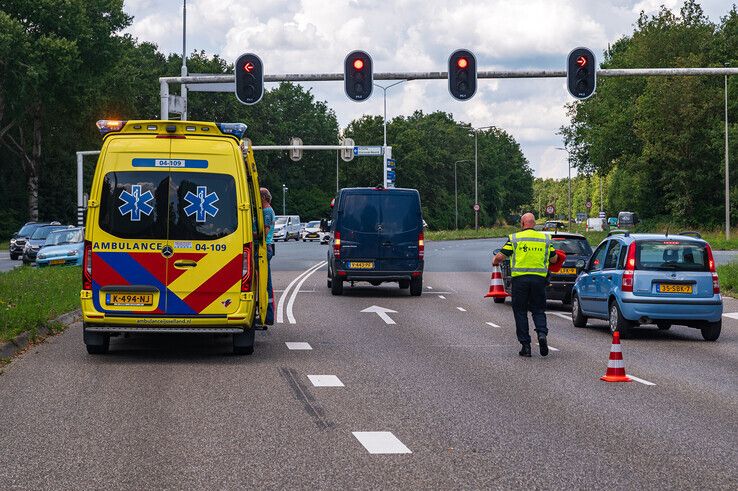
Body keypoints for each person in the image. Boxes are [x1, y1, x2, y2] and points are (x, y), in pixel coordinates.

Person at [493, 212, 558, 357]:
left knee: (520, 312)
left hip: (520, 281)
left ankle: (526, 346)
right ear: (534, 224)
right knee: (539, 310)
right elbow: (554, 259)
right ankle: (541, 333)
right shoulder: (545, 239)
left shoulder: (515, 238)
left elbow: (501, 256)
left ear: (522, 224)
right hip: (539, 281)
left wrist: (495, 261)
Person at [261, 187, 276, 326]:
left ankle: (268, 316)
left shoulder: (266, 211)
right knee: (266, 282)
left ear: (264, 198)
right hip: (268, 247)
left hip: (265, 247)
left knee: (266, 282)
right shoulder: (268, 210)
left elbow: (264, 233)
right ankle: (268, 316)